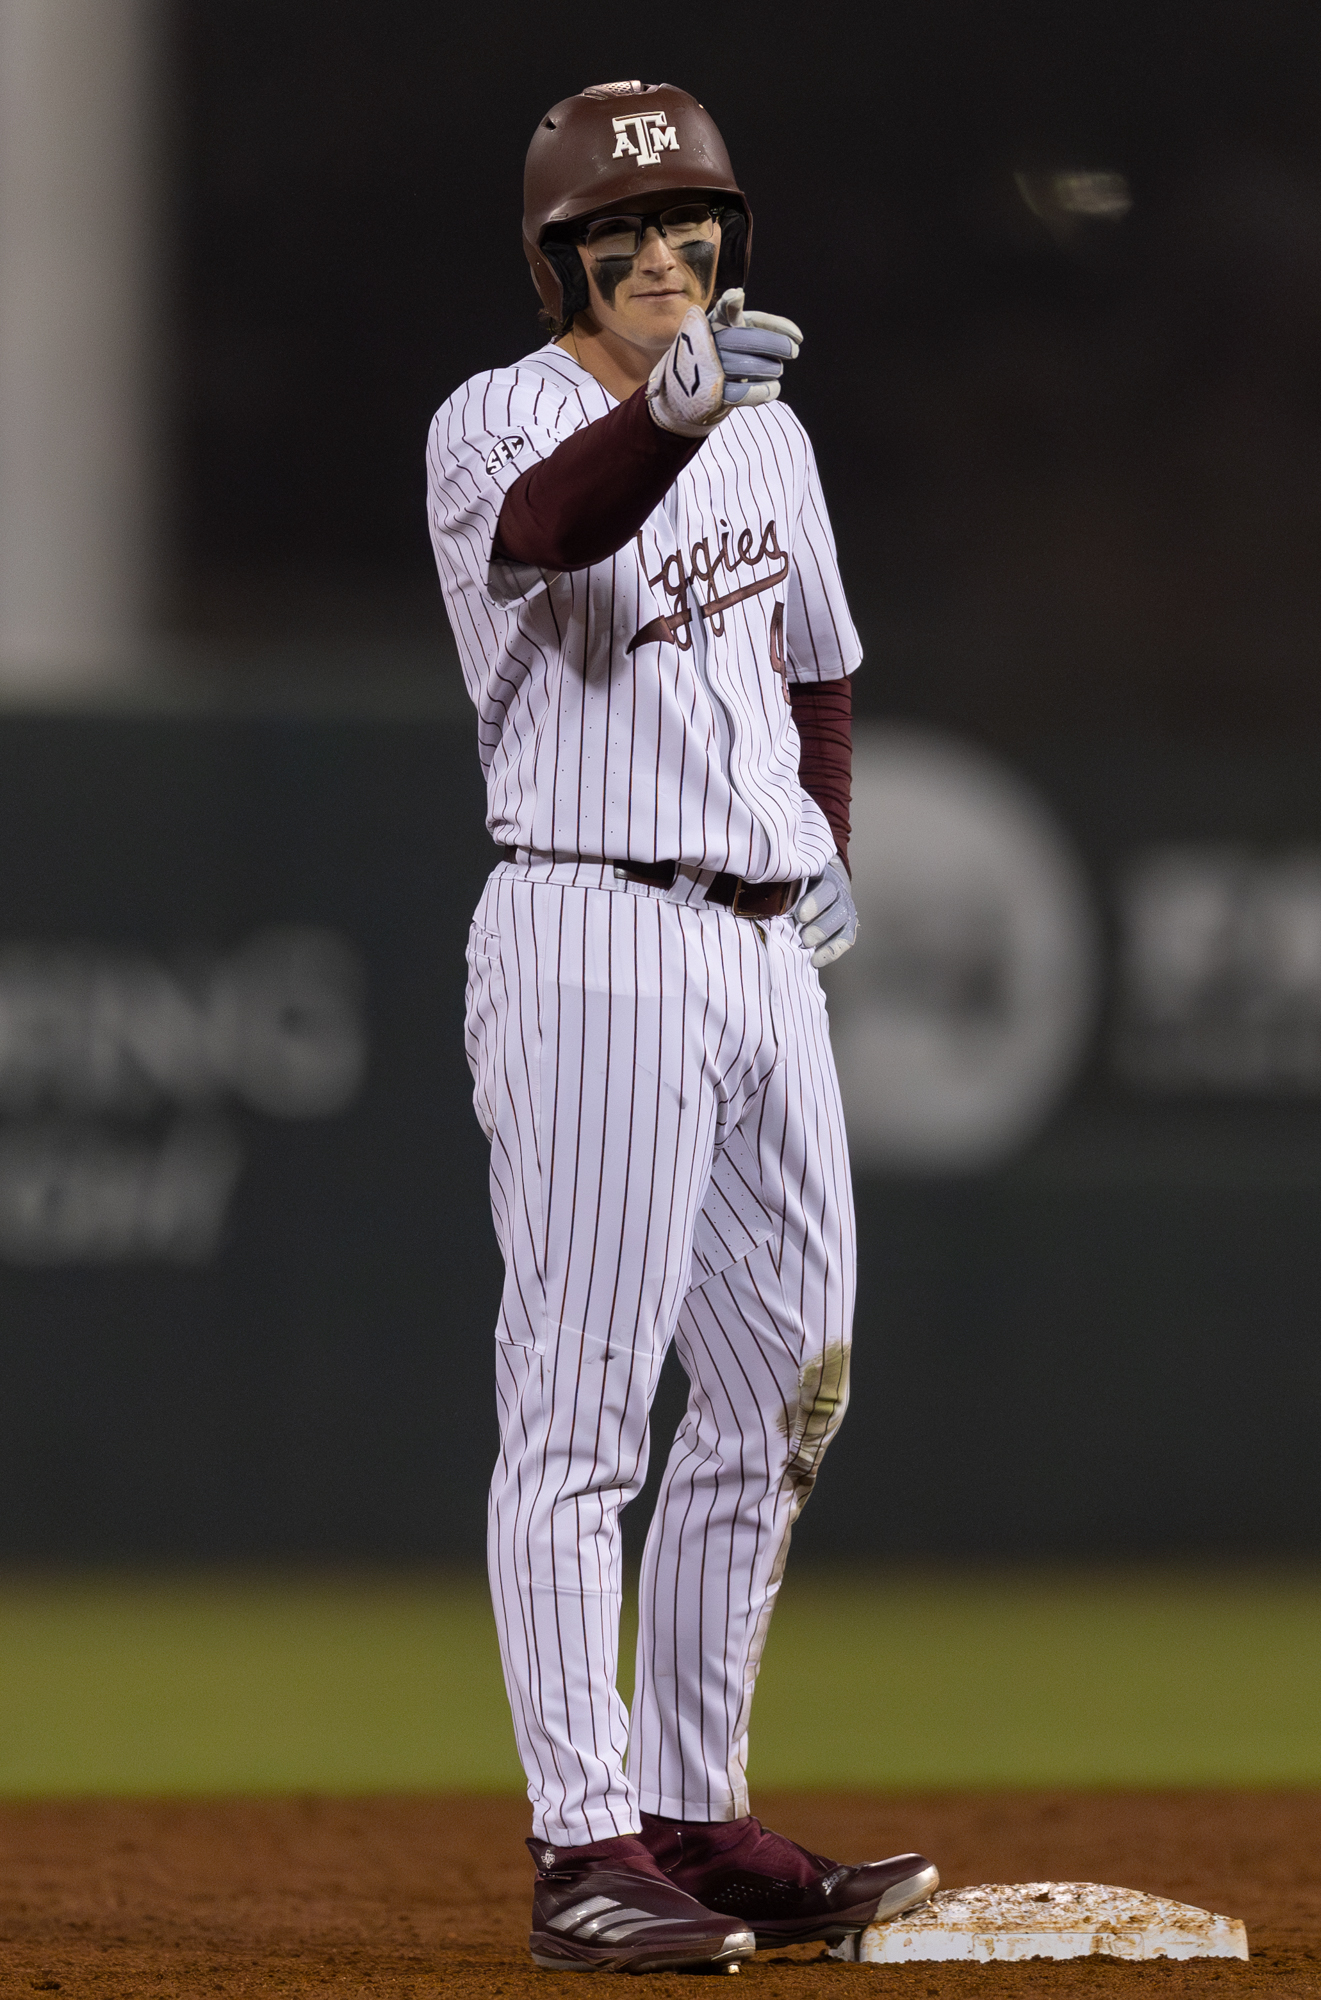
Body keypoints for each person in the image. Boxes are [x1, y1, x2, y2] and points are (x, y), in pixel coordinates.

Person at [426, 80, 937, 1974]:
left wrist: (824, 846)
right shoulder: (497, 418)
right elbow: (556, 532)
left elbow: (822, 664)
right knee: (578, 1409)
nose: (659, 258)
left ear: (728, 238)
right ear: (560, 257)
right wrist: (671, 410)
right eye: (618, 237)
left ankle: (693, 1815)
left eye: (686, 228)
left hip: (751, 954)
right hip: (587, 929)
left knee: (787, 1381)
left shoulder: (767, 437)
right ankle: (581, 1847)